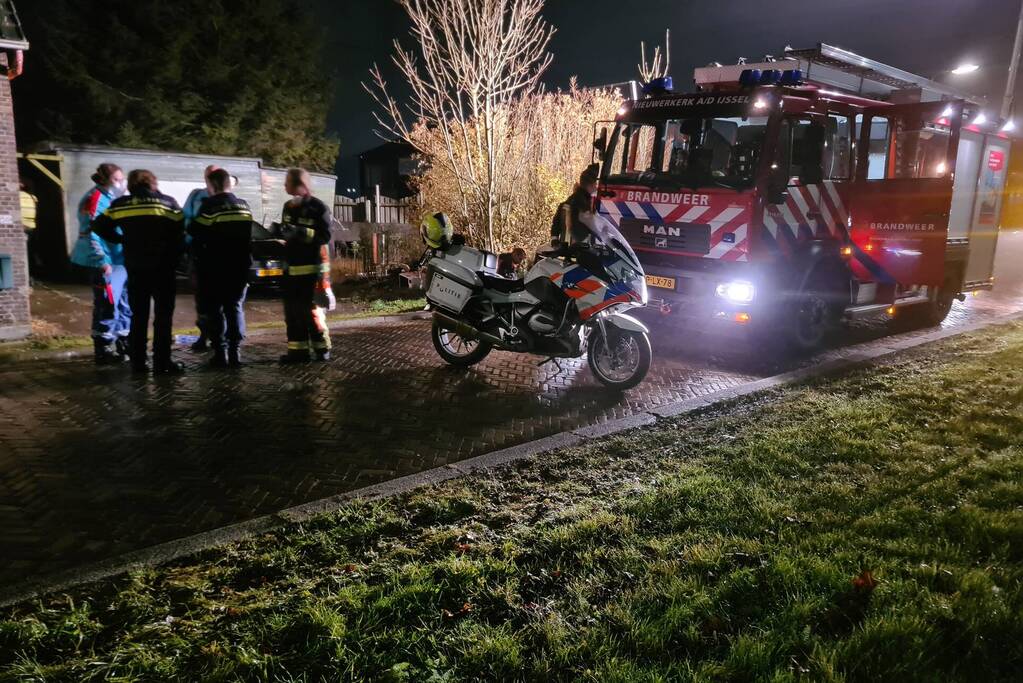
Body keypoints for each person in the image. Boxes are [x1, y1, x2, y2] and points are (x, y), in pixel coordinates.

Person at [92, 170, 185, 375]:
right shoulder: (168, 203)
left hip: (136, 267)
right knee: (163, 316)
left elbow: (98, 226)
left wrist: (121, 239)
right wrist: (174, 257)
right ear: (153, 182)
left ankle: (139, 363)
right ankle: (162, 363)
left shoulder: (121, 205)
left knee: (138, 316)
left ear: (132, 184)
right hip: (163, 268)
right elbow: (180, 233)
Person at [188, 169, 253, 368]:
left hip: (214, 267)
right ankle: (235, 352)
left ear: (211, 185)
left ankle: (220, 352)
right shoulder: (244, 205)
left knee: (215, 309)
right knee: (234, 308)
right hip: (240, 265)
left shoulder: (210, 206)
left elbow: (195, 230)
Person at [69, 163, 132, 365]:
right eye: (116, 179)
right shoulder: (95, 199)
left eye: (122, 179)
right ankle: (103, 346)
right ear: (104, 179)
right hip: (107, 262)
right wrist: (102, 261)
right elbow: (91, 233)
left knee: (123, 302)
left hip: (120, 259)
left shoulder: (113, 198)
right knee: (107, 303)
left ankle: (124, 340)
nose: (121, 183)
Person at [273, 168, 333, 363]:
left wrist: (300, 232)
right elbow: (286, 235)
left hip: (311, 273)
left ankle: (322, 349)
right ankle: (297, 352)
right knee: (292, 314)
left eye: (287, 182)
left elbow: (325, 237)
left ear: (299, 185)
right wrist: (279, 233)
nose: (284, 186)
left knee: (312, 313)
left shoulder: (319, 208)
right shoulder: (288, 207)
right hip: (290, 271)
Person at [182, 165, 220, 352]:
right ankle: (205, 335)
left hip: (220, 255)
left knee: (222, 298)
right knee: (202, 297)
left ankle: (221, 338)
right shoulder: (197, 196)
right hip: (198, 253)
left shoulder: (229, 200)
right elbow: (185, 220)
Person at [550, 165, 598, 246]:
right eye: (595, 185)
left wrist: (554, 239)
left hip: (564, 249)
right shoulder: (583, 203)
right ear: (590, 186)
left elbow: (556, 222)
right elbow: (583, 229)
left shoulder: (570, 200)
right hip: (578, 250)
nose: (596, 188)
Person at [19, 179, 40, 277]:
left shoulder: (15, 196)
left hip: (21, 227)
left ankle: (25, 275)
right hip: (31, 227)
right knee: (30, 251)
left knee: (22, 253)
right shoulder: (33, 197)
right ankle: (31, 275)